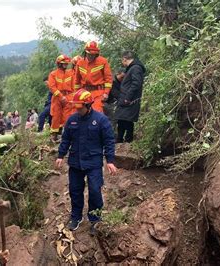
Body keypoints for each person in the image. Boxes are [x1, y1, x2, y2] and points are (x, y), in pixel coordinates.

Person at [55, 89, 117, 236]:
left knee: (95, 190)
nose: (77, 109)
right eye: (76, 106)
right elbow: (66, 140)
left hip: (93, 162)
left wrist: (110, 161)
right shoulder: (72, 120)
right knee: (75, 191)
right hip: (75, 163)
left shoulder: (101, 120)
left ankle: (95, 218)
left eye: (80, 107)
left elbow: (109, 141)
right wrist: (60, 155)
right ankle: (76, 217)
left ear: (88, 105)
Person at [115, 51, 146, 143]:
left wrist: (128, 97)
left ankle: (128, 140)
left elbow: (136, 84)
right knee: (122, 119)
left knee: (127, 120)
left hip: (130, 99)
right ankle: (120, 139)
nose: (122, 62)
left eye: (122, 60)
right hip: (125, 97)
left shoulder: (136, 68)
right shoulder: (131, 68)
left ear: (124, 59)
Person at [74, 41, 113, 113]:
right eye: (89, 54)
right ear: (85, 53)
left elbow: (108, 79)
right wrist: (76, 93)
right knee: (82, 113)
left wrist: (106, 93)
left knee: (96, 113)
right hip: (84, 92)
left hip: (98, 93)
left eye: (93, 54)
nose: (91, 56)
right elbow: (77, 81)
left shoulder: (103, 61)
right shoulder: (80, 63)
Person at [48, 54, 75, 141]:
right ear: (59, 63)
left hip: (68, 97)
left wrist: (71, 97)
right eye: (64, 63)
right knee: (56, 116)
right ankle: (54, 134)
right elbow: (52, 87)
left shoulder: (71, 73)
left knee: (67, 116)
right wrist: (60, 96)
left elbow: (74, 86)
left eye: (67, 63)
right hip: (57, 97)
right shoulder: (53, 74)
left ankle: (66, 134)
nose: (66, 65)